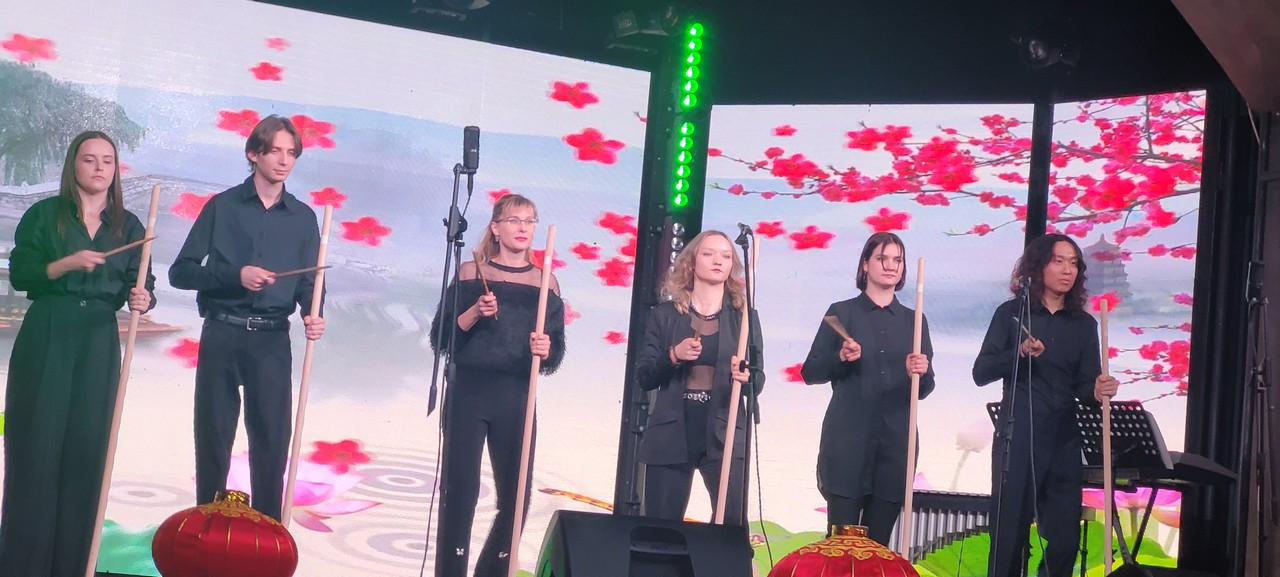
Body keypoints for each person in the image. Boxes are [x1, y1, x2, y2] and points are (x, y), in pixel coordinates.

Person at [0, 131, 155, 577]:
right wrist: (66, 264)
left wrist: (143, 298)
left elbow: (142, 284)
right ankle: (22, 565)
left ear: (115, 169)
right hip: (50, 328)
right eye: (90, 159)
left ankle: (73, 565)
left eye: (108, 160)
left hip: (98, 337)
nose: (99, 167)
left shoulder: (129, 227)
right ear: (74, 165)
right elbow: (22, 274)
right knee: (37, 445)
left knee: (88, 450)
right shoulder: (45, 215)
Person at [170, 115, 326, 522]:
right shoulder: (222, 207)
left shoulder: (304, 218)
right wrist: (234, 275)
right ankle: (205, 531)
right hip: (222, 331)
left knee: (272, 445)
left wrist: (314, 314)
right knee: (213, 441)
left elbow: (310, 284)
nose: (284, 160)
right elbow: (181, 272)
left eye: (291, 153)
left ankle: (267, 538)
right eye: (275, 151)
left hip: (272, 341)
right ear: (254, 153)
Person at [430, 193, 565, 577]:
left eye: (529, 221)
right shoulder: (470, 273)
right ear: (495, 227)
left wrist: (545, 348)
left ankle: (490, 571)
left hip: (517, 394)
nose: (522, 228)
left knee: (516, 496)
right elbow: (440, 338)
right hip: (469, 391)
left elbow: (554, 356)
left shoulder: (545, 283)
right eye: (514, 220)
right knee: (460, 493)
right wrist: (474, 312)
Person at [972, 233, 1118, 577]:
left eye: (1074, 263)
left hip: (1063, 440)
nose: (1068, 270)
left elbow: (1085, 386)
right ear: (1038, 267)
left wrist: (1098, 390)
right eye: (1059, 261)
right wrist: (1019, 352)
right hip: (1018, 437)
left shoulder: (1084, 325)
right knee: (1009, 537)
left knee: (1066, 538)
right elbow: (981, 372)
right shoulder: (1011, 314)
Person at [799, 232, 934, 545]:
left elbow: (925, 389)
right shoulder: (841, 313)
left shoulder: (915, 321)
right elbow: (810, 372)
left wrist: (920, 372)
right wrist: (840, 357)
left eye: (897, 260)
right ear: (865, 264)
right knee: (840, 546)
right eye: (882, 258)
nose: (890, 266)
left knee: (878, 549)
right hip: (848, 443)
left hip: (895, 447)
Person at [634, 229, 764, 526]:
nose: (718, 261)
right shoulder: (665, 315)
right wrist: (673, 355)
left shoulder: (744, 318)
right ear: (692, 262)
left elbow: (758, 377)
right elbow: (645, 376)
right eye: (709, 254)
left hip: (724, 428)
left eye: (726, 256)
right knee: (660, 527)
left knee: (730, 525)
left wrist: (746, 376)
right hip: (672, 429)